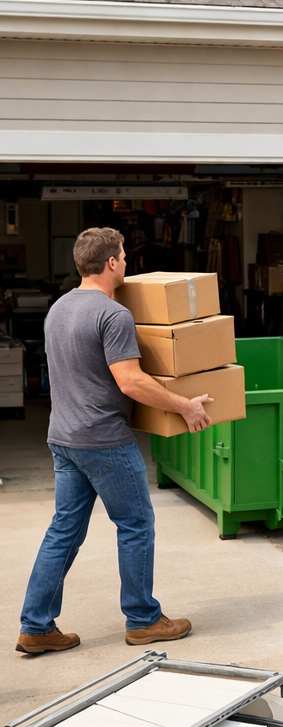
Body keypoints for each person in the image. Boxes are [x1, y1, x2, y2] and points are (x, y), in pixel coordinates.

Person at [16, 227, 213, 655]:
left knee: (64, 531)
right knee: (136, 525)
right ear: (110, 263)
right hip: (103, 439)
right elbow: (131, 382)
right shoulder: (113, 315)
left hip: (63, 436)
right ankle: (143, 620)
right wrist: (185, 406)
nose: (126, 263)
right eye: (123, 256)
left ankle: (36, 625)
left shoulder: (58, 309)